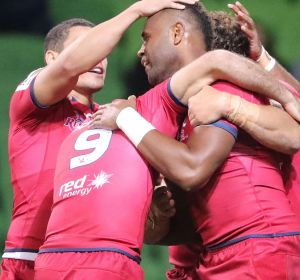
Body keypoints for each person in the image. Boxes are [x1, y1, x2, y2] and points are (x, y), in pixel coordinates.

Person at [91, 3, 300, 280]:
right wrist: (158, 218)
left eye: (146, 38)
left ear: (177, 33)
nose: (140, 50)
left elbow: (192, 170)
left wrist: (127, 119)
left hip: (257, 251)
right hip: (211, 258)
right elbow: (190, 224)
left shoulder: (222, 89)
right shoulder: (173, 110)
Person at [1, 1, 199, 279]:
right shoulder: (30, 103)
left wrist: (156, 211)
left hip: (90, 264)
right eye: (88, 47)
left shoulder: (115, 121)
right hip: (28, 260)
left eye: (105, 51)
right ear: (52, 58)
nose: (100, 58)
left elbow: (145, 230)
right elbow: (70, 65)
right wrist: (136, 10)